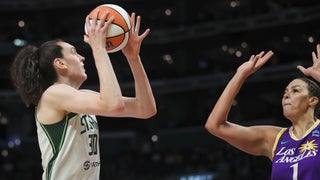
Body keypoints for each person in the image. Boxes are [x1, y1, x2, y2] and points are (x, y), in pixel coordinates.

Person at [10, 9, 156, 180]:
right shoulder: (53, 94)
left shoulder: (82, 97)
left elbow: (145, 109)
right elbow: (114, 105)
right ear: (60, 63)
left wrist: (133, 58)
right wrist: (98, 49)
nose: (82, 58)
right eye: (73, 52)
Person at [205, 45, 320, 180]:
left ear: (312, 101)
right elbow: (215, 126)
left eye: (295, 91)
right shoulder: (274, 138)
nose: (286, 96)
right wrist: (240, 75)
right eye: (285, 92)